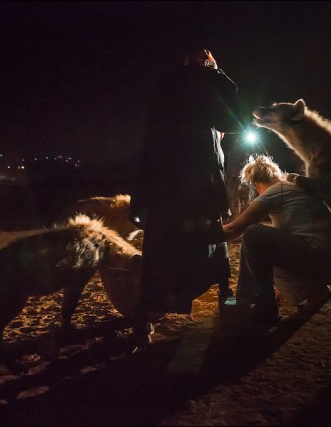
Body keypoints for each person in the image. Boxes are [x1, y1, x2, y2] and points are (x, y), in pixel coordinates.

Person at [129, 49, 242, 346]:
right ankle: (227, 309)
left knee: (161, 255)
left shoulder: (165, 87)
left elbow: (150, 143)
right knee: (212, 249)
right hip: (200, 187)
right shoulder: (206, 82)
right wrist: (217, 71)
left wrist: (140, 199)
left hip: (163, 190)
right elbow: (234, 121)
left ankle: (145, 319)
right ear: (206, 64)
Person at [222, 155, 331, 328]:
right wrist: (281, 288)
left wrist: (200, 234)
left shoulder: (276, 191)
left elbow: (233, 230)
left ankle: (258, 306)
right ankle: (317, 293)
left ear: (256, 183)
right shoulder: (292, 187)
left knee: (254, 234)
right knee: (268, 240)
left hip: (325, 261)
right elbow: (285, 244)